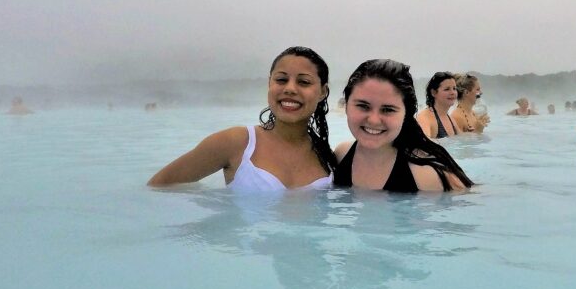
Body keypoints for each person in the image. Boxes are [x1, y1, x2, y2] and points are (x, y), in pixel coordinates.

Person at [147, 46, 336, 190]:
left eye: (303, 82)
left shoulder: (329, 159)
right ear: (269, 83)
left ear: (322, 92)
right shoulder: (237, 143)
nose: (290, 88)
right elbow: (158, 186)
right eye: (281, 79)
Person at [333, 59, 472, 192]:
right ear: (346, 106)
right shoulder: (341, 154)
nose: (374, 120)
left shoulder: (427, 176)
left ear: (406, 115)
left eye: (388, 110)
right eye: (363, 106)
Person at [416, 72, 459, 139]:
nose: (452, 92)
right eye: (447, 89)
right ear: (433, 92)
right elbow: (421, 144)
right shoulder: (425, 118)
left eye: (454, 88)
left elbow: (463, 140)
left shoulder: (450, 118)